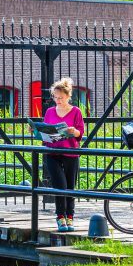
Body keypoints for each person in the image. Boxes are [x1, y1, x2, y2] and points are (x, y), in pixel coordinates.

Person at [42, 77, 85, 232]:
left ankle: (70, 217)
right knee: (60, 185)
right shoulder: (49, 112)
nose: (57, 100)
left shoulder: (76, 112)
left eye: (60, 97)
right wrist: (38, 131)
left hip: (70, 153)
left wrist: (74, 131)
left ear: (68, 96)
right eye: (55, 97)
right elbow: (46, 131)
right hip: (53, 152)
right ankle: (60, 217)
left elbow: (80, 132)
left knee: (70, 187)